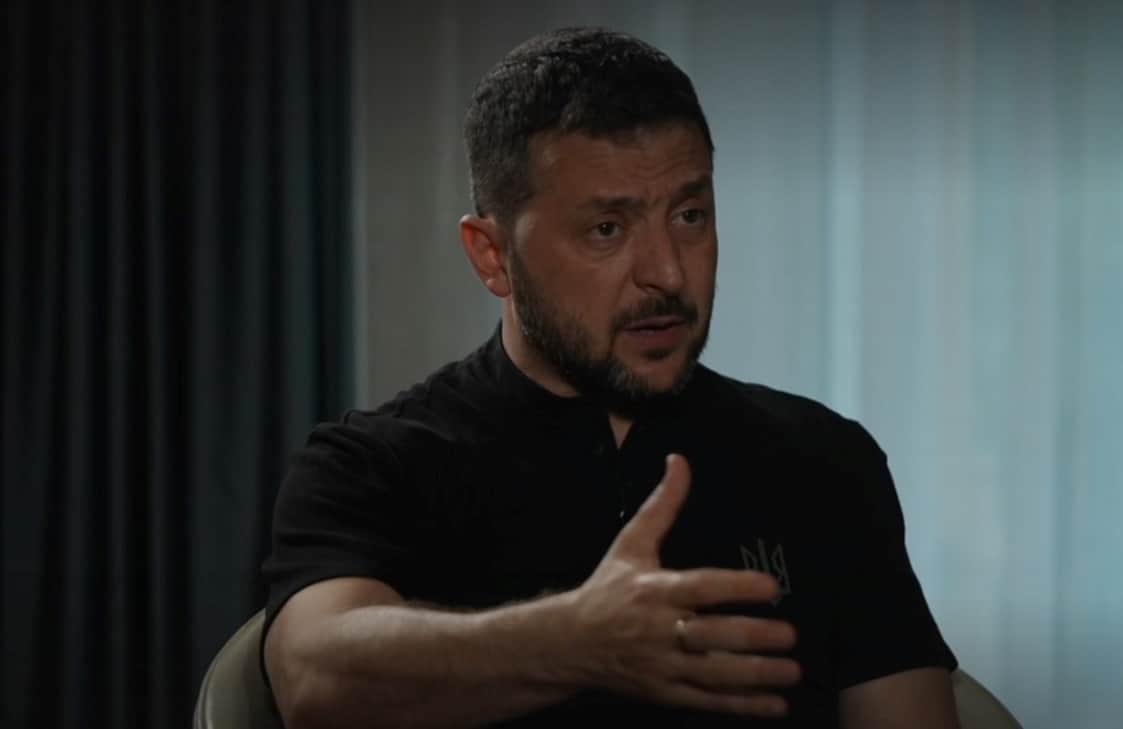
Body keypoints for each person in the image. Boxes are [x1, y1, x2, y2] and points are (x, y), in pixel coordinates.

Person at [262, 27, 959, 729]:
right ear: (492, 256)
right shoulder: (373, 465)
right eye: (607, 229)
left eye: (690, 216)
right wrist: (574, 645)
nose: (668, 272)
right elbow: (314, 677)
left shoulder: (824, 462)